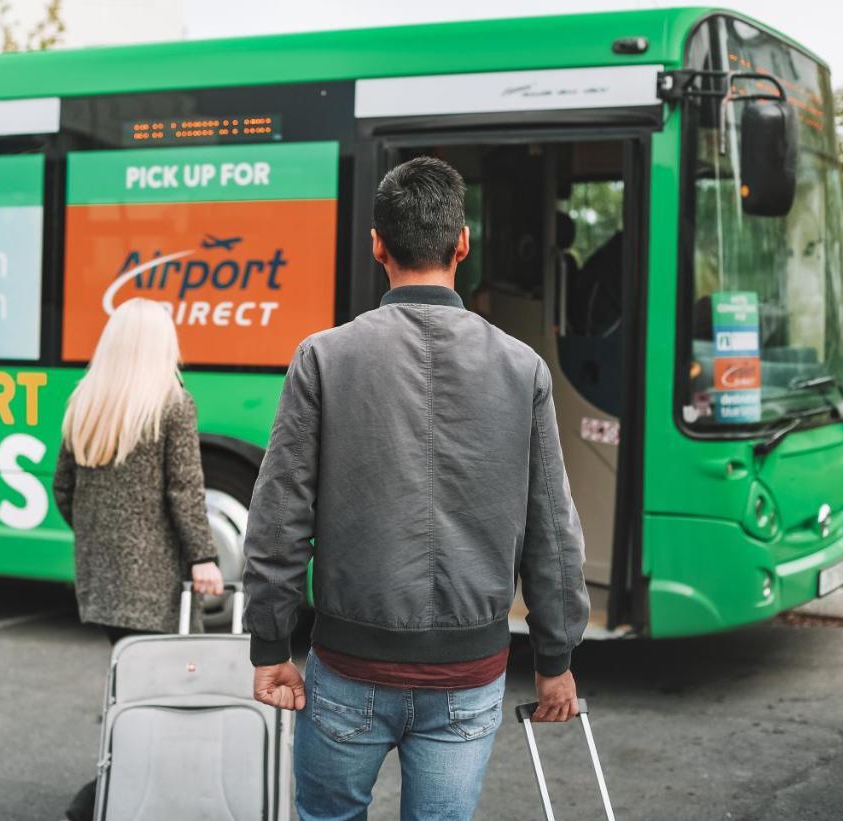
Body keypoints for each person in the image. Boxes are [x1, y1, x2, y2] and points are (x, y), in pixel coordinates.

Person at [243, 157, 590, 820]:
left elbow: (278, 517)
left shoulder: (323, 357)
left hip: (347, 668)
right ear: (463, 243)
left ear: (378, 245)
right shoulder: (524, 368)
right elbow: (553, 530)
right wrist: (555, 655)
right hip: (470, 675)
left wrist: (270, 645)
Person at [52, 297, 225, 821]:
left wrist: (100, 539)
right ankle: (115, 795)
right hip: (157, 588)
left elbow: (65, 488)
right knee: (162, 692)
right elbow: (185, 492)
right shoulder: (172, 402)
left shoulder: (86, 399)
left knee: (132, 683)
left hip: (101, 579)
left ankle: (120, 787)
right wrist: (204, 557)